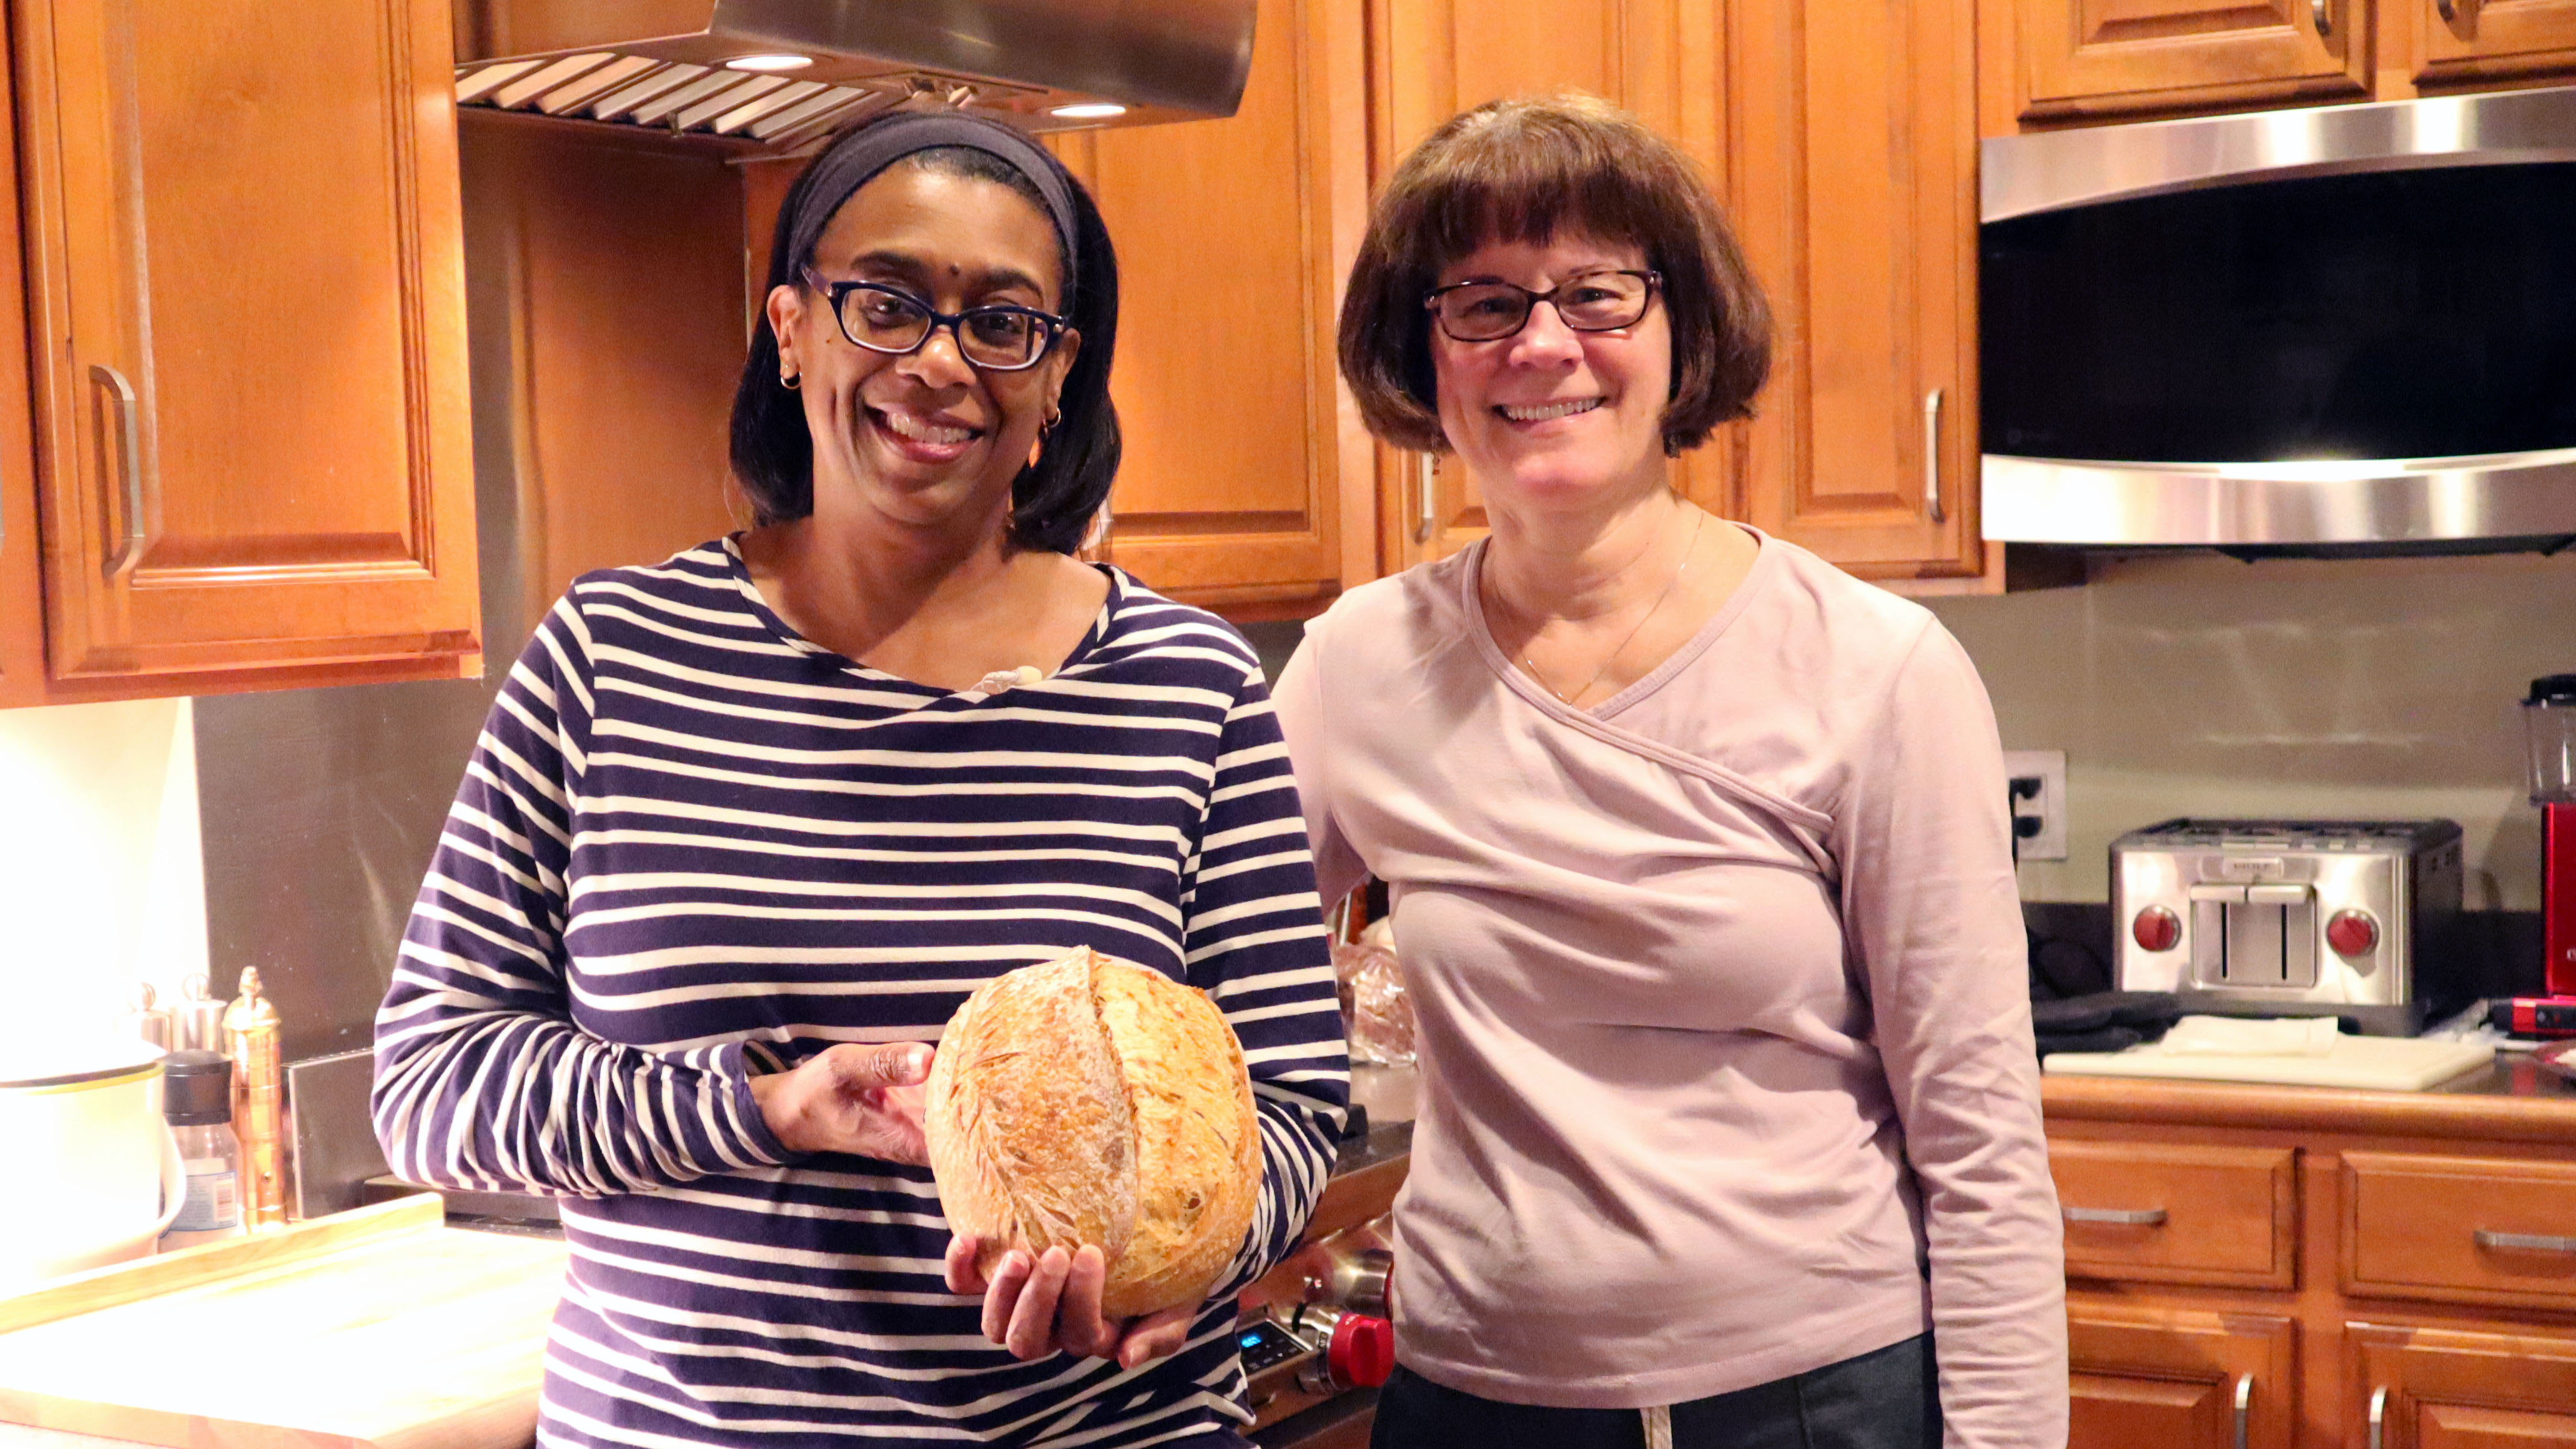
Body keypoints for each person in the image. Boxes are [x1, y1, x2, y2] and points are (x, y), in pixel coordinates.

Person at [372, 110, 1348, 1449]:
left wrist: (1180, 1268)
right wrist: (764, 1103)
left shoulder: (1188, 686)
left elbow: (1291, 1102)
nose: (939, 364)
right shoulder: (611, 655)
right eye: (884, 302)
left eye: (1002, 323)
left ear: (1058, 376)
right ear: (790, 329)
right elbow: (431, 1082)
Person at [1275, 95, 2066, 1449]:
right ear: (1422, 354)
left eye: (1595, 293)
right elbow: (1186, 968)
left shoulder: (1875, 667)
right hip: (1467, 1401)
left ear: (1681, 331)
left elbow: (1981, 1145)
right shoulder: (1357, 666)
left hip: (1808, 1403)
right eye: (1480, 302)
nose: (1541, 345)